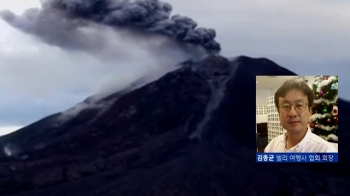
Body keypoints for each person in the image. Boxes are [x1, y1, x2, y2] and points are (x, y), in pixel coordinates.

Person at [264, 79, 337, 152]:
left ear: (310, 111)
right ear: (278, 112)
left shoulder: (325, 150)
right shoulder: (271, 147)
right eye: (286, 106)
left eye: (299, 105)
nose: (292, 113)